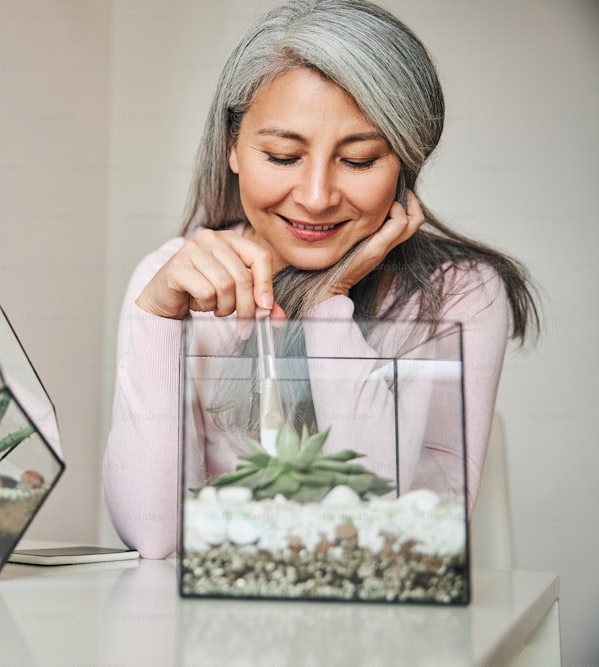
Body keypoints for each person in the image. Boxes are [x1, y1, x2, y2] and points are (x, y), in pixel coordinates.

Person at [102, 0, 540, 559]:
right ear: (232, 146)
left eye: (358, 161)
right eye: (283, 155)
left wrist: (326, 305)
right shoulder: (178, 281)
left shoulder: (461, 293)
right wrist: (155, 319)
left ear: (406, 162)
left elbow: (405, 531)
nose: (315, 198)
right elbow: (155, 536)